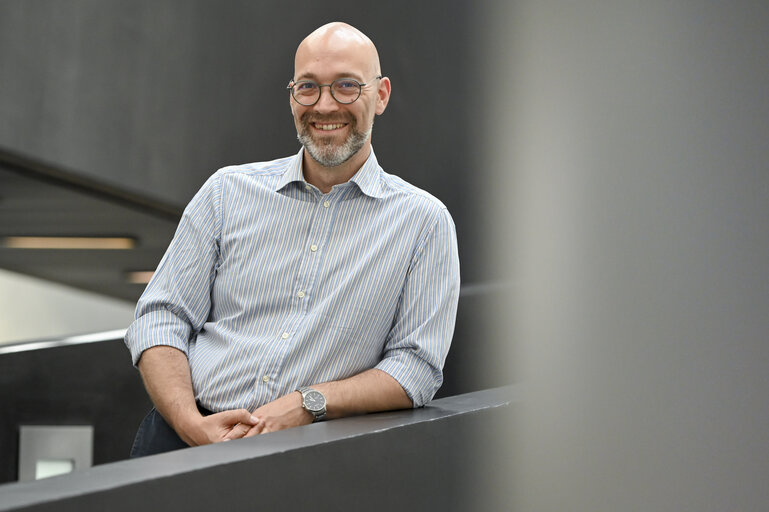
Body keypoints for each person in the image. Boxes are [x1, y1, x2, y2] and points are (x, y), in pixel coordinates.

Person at [125, 21, 460, 457]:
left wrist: (308, 404)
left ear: (380, 95)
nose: (324, 105)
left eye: (346, 86)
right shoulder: (226, 191)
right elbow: (159, 317)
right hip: (176, 440)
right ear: (291, 95)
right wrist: (192, 424)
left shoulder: (423, 223)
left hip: (309, 461)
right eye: (308, 87)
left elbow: (415, 368)